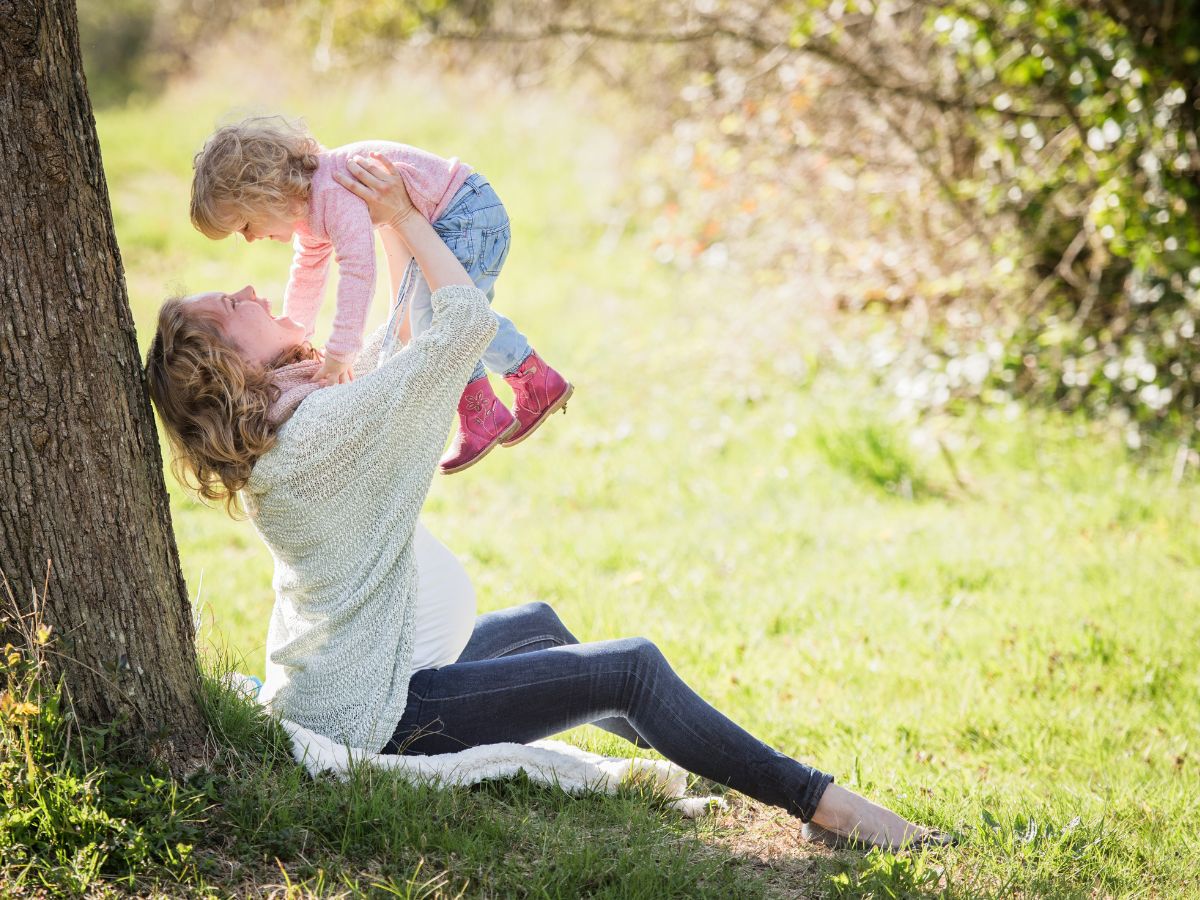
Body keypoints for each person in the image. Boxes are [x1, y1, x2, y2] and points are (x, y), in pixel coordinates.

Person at [147, 155, 953, 852]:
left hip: (359, 677)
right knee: (629, 667)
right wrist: (399, 215)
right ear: (228, 366)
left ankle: (728, 764)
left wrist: (387, 230)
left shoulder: (291, 426)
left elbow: (394, 347)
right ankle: (826, 806)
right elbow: (460, 323)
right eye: (229, 306)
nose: (249, 287)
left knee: (540, 626)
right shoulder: (321, 430)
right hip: (382, 713)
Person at [189, 115, 572, 473]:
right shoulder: (310, 209)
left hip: (467, 214)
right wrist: (298, 336)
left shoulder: (331, 191)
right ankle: (529, 384)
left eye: (245, 225)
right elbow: (307, 274)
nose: (251, 238)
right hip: (461, 213)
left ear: (266, 194)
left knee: (443, 316)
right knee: (445, 314)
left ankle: (487, 408)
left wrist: (340, 353)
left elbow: (358, 269)